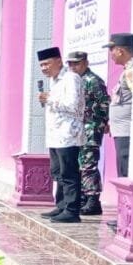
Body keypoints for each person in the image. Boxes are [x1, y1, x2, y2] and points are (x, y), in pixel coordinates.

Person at [37, 47, 85, 223]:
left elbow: (74, 105)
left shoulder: (71, 78)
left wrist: (49, 99)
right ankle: (62, 206)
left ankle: (72, 210)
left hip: (68, 134)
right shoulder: (55, 81)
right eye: (41, 65)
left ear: (59, 61)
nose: (44, 68)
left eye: (47, 63)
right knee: (57, 172)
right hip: (55, 135)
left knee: (69, 173)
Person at [65, 52, 109, 215]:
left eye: (76, 64)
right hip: (77, 129)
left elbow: (104, 102)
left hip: (91, 127)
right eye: (70, 64)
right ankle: (83, 197)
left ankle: (93, 200)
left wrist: (103, 122)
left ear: (85, 63)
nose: (73, 67)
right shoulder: (71, 82)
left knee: (88, 165)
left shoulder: (93, 81)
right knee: (78, 164)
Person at [105, 33, 133, 178]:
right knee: (122, 168)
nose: (111, 54)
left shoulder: (131, 71)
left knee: (125, 169)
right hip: (121, 130)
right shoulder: (126, 70)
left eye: (112, 49)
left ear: (120, 51)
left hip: (127, 131)